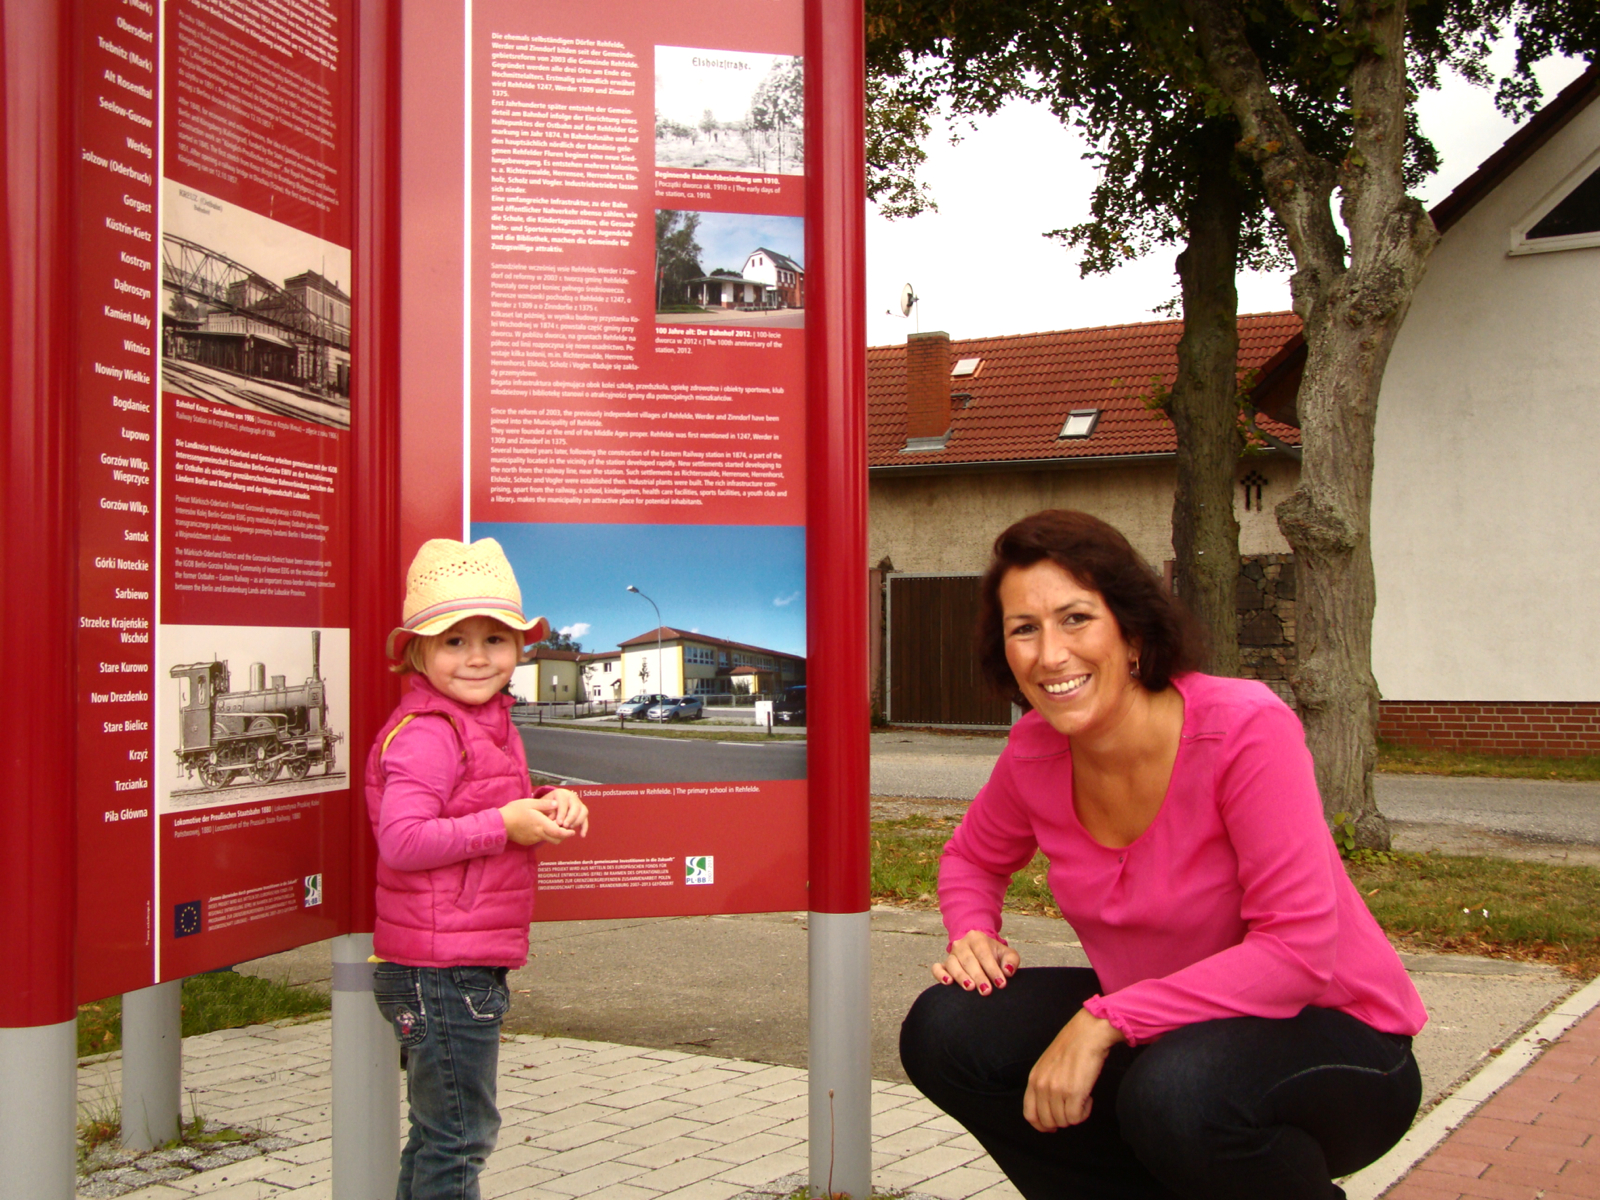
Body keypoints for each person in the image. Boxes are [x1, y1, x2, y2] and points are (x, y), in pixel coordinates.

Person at [899, 511, 1427, 1200]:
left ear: (1134, 634)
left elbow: (1297, 953)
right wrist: (972, 930)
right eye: (1024, 629)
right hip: (1166, 1034)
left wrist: (1105, 1018)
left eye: (1076, 618)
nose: (1049, 654)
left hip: (1337, 1042)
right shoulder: (1035, 749)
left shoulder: (1243, 729)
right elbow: (972, 859)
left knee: (1176, 1094)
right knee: (948, 1030)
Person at [367, 537, 590, 1200]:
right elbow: (402, 840)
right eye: (454, 642)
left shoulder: (483, 724)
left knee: (441, 1135)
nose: (477, 657)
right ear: (417, 653)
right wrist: (506, 826)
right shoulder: (434, 730)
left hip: (450, 963)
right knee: (460, 1137)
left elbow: (485, 805)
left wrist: (549, 803)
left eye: (494, 639)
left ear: (519, 648)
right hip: (442, 970)